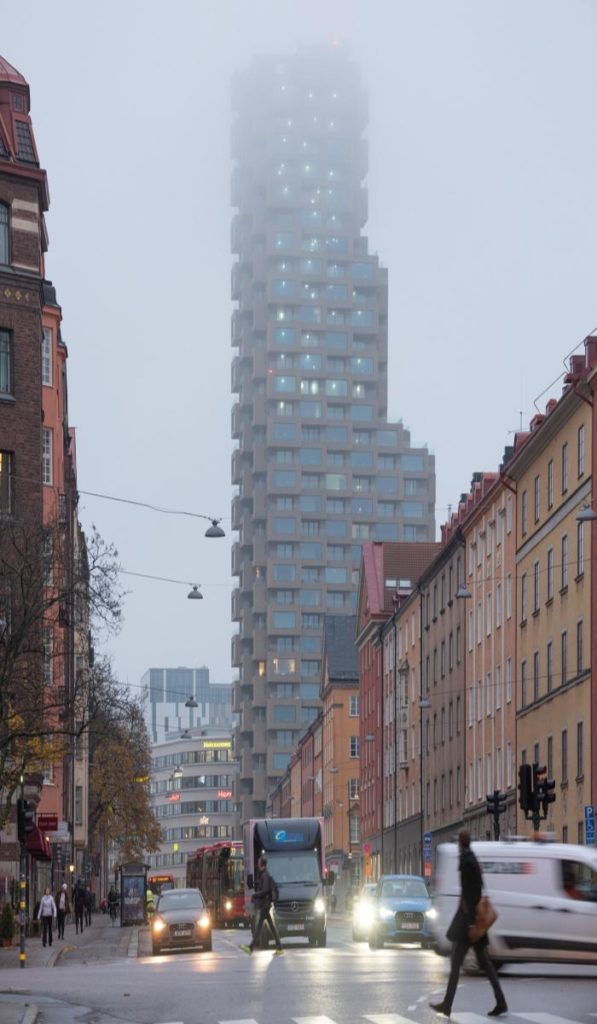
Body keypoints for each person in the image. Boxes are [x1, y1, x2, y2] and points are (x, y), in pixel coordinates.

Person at [430, 830, 507, 1019]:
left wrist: (472, 924)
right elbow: (478, 889)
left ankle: (447, 1005)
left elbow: (470, 895)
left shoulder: (466, 862)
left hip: (468, 923)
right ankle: (500, 1001)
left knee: (456, 962)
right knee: (485, 963)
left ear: (460, 844)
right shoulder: (472, 858)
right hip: (472, 922)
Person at [240, 856, 283, 956]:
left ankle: (251, 947)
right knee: (271, 927)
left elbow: (265, 890)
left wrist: (255, 894)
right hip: (266, 905)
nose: (257, 864)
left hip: (265, 905)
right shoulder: (264, 875)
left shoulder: (265, 875)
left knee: (259, 927)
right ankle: (279, 947)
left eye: (258, 862)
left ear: (261, 864)